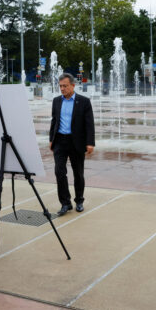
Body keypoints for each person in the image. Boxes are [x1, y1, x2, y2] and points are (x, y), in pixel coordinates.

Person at [49, 73, 95, 215]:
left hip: (77, 142)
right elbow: (54, 121)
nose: (62, 89)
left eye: (65, 86)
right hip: (60, 142)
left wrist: (90, 143)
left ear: (73, 86)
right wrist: (51, 139)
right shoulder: (56, 101)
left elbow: (89, 124)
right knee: (59, 172)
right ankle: (65, 203)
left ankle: (79, 201)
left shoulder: (84, 102)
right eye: (60, 86)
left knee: (78, 173)